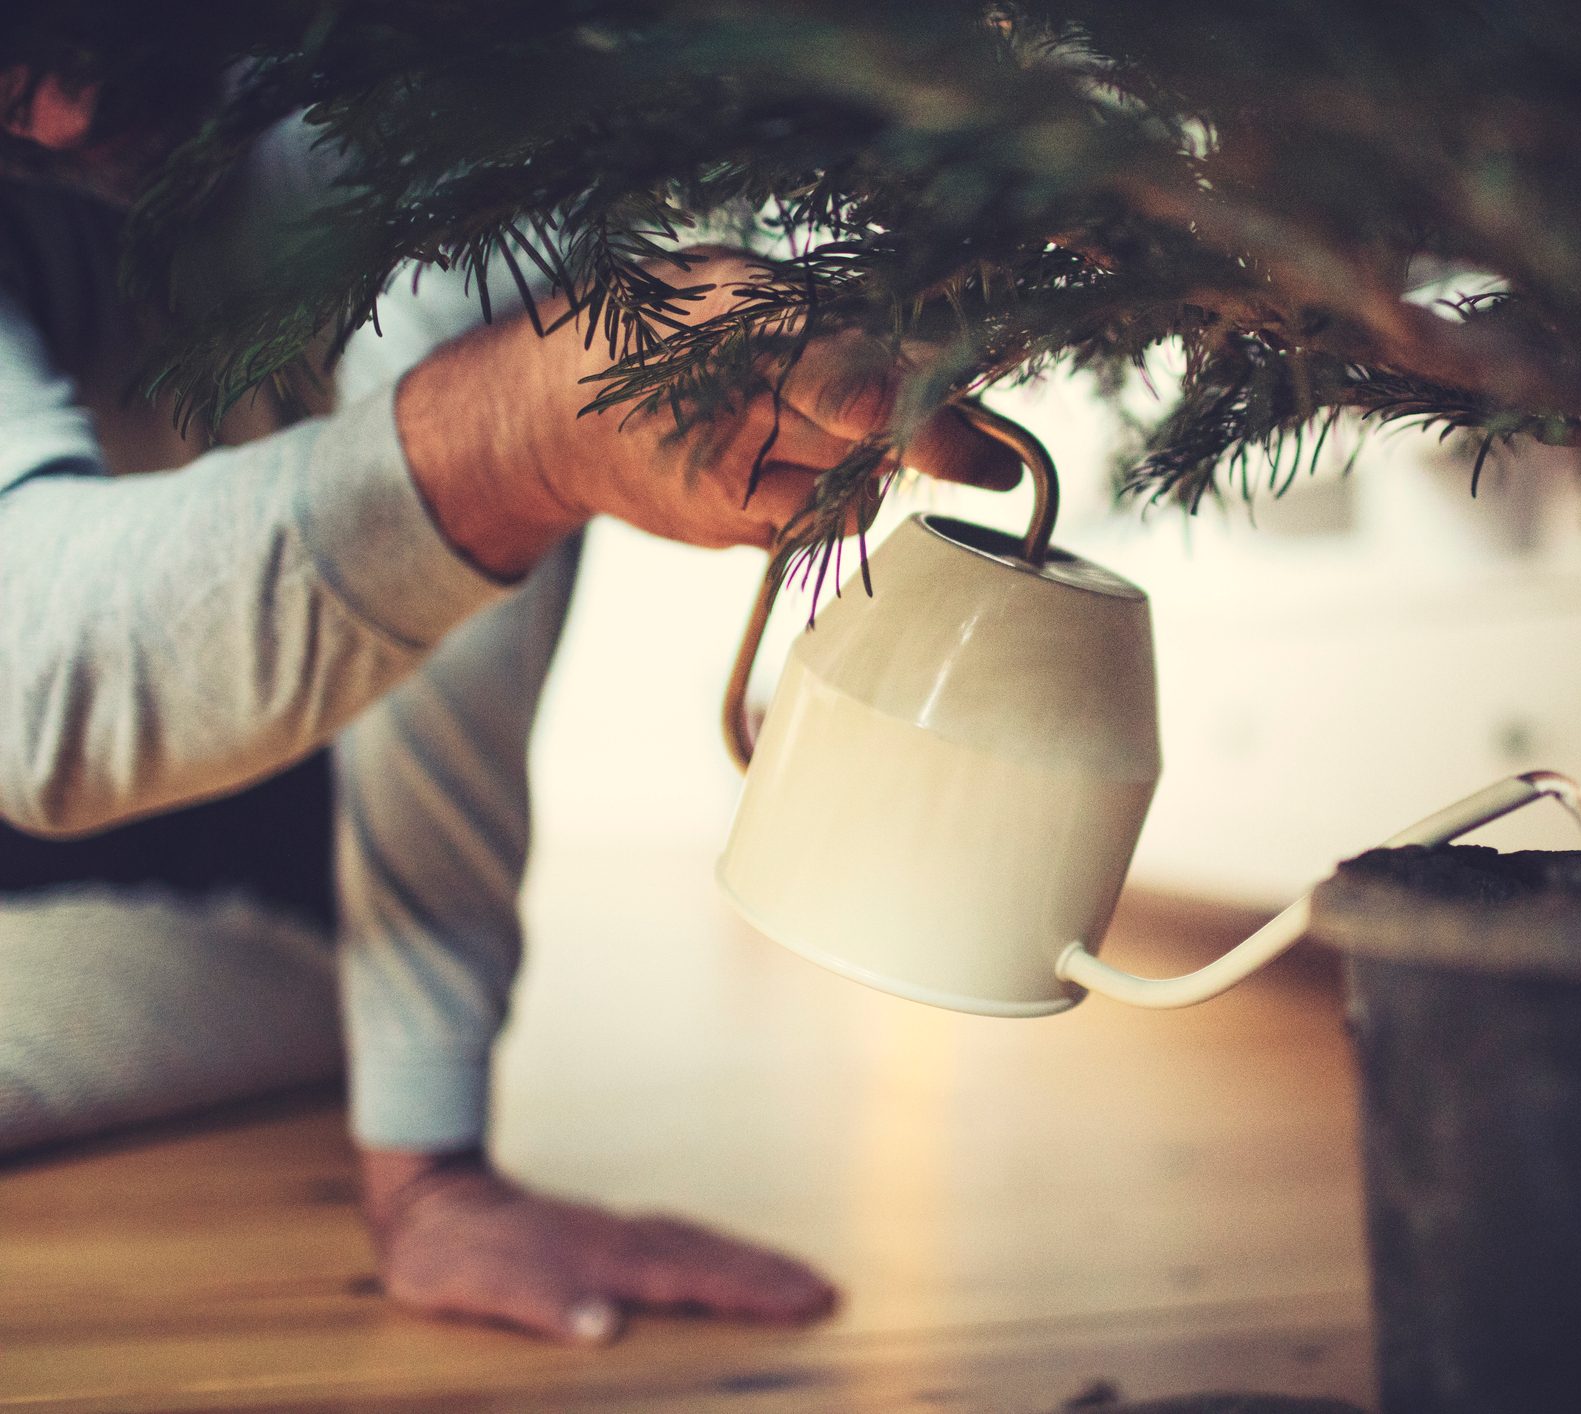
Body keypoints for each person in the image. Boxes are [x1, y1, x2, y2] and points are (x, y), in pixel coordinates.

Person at [0, 64, 1017, 1342]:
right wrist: (516, 437)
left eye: (98, 31)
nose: (63, 115)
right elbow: (35, 679)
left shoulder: (409, 143)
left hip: (249, 853)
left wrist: (429, 1164)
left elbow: (470, 363)